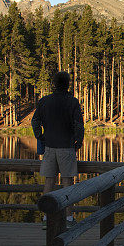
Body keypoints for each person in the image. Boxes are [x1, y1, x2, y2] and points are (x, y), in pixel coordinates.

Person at [31, 71, 84, 227]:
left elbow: (35, 121)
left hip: (49, 147)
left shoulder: (44, 101)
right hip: (67, 147)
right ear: (67, 84)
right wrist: (78, 142)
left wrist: (40, 136)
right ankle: (68, 218)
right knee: (67, 181)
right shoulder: (72, 102)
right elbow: (79, 126)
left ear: (54, 84)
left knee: (49, 181)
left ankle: (47, 218)